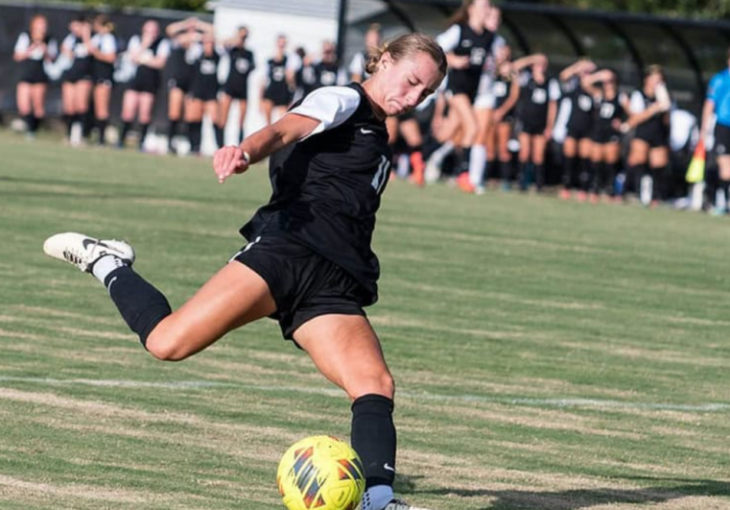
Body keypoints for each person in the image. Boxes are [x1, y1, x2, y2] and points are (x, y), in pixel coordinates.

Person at [43, 32, 446, 510]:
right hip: (287, 251)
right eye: (412, 80)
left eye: (427, 92)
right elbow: (282, 131)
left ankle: (379, 501)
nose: (415, 96)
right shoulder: (344, 100)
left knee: (374, 384)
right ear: (384, 62)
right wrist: (245, 152)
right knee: (167, 343)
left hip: (335, 278)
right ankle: (107, 262)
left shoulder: (378, 131)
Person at [118, 20, 170, 151]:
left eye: (153, 31)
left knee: (145, 113)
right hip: (135, 79)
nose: (151, 34)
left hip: (150, 81)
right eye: (148, 31)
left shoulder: (163, 43)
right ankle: (121, 140)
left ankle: (141, 142)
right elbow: (133, 58)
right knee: (128, 110)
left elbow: (160, 63)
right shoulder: (136, 40)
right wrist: (145, 46)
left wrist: (143, 59)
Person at [624, 65, 671, 206]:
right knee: (639, 161)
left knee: (659, 165)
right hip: (643, 132)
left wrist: (665, 105)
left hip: (659, 133)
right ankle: (637, 192)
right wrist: (653, 109)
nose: (657, 82)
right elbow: (634, 118)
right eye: (654, 79)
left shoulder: (665, 96)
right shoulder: (639, 95)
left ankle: (656, 196)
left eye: (660, 80)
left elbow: (667, 118)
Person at [513, 53, 560, 192]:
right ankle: (522, 182)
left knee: (538, 155)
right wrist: (531, 58)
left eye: (543, 64)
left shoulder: (551, 82)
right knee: (524, 152)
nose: (540, 66)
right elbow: (513, 67)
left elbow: (552, 106)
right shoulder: (526, 78)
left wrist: (550, 126)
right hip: (526, 121)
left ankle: (539, 183)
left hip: (541, 123)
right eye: (538, 64)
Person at [584, 68, 629, 201]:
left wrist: (623, 125)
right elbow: (585, 84)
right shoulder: (599, 94)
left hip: (612, 134)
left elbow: (632, 114)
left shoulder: (621, 97)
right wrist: (599, 75)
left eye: (611, 81)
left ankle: (611, 191)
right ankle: (595, 189)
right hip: (598, 132)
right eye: (606, 81)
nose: (608, 84)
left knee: (611, 163)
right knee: (596, 162)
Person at [13, 14, 57, 139]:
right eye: (39, 24)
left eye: (44, 25)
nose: (42, 27)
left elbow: (53, 58)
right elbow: (17, 56)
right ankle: (29, 129)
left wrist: (45, 50)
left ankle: (33, 131)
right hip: (26, 73)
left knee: (38, 108)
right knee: (23, 106)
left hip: (40, 75)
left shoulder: (49, 39)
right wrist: (31, 48)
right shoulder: (25, 36)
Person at [558, 59, 597, 201]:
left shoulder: (595, 88)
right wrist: (577, 67)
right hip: (573, 126)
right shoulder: (574, 85)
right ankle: (566, 187)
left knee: (585, 160)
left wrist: (592, 78)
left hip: (588, 129)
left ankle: (584, 189)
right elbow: (563, 76)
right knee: (569, 158)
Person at [700, 48, 730, 215]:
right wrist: (704, 130)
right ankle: (724, 201)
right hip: (724, 126)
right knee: (725, 165)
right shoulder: (720, 79)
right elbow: (709, 105)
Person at [164, 17, 200, 153]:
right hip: (178, 81)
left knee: (191, 115)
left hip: (193, 83)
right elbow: (170, 30)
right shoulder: (178, 43)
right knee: (174, 113)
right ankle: (170, 143)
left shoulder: (198, 46)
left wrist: (198, 25)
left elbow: (213, 33)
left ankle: (193, 146)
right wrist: (185, 23)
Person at [186, 27, 223, 153]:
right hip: (197, 91)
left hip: (212, 93)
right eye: (206, 42)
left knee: (215, 120)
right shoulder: (196, 53)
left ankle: (220, 147)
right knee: (194, 119)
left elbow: (228, 40)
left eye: (211, 42)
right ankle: (194, 147)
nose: (208, 44)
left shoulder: (218, 55)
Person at [218, 26, 256, 146]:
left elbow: (252, 68)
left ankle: (240, 146)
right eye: (241, 36)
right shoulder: (232, 50)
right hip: (229, 87)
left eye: (244, 37)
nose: (242, 39)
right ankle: (221, 146)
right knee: (223, 118)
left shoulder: (249, 54)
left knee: (241, 121)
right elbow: (222, 43)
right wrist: (235, 39)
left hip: (242, 88)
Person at [59, 17, 93, 146]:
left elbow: (91, 50)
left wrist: (86, 36)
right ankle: (68, 135)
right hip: (70, 75)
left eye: (77, 26)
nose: (74, 29)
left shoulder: (92, 38)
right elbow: (65, 51)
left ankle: (80, 135)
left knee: (81, 105)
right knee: (69, 106)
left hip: (84, 75)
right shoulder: (70, 39)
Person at [88, 14, 118, 146]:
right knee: (94, 108)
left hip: (104, 76)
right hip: (94, 75)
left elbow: (111, 57)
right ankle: (93, 135)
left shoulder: (108, 39)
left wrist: (96, 52)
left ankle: (101, 139)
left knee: (102, 108)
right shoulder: (97, 38)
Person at [260, 34, 297, 125]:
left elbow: (291, 80)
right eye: (280, 43)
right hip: (271, 90)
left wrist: (291, 96)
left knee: (283, 122)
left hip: (283, 92)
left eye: (283, 43)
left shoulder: (290, 59)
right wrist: (260, 99)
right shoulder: (269, 60)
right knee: (267, 124)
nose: (281, 45)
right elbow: (263, 80)